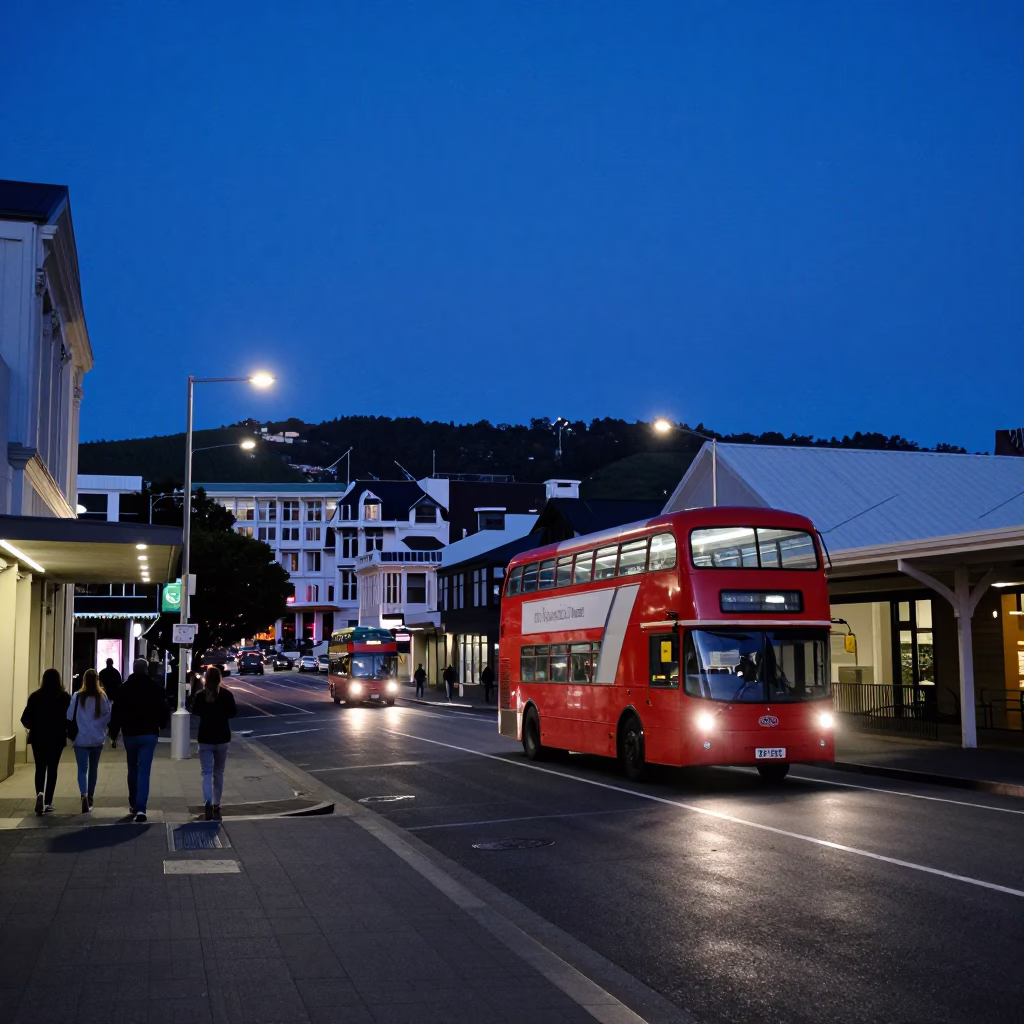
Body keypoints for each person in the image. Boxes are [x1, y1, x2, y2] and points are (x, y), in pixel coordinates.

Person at [110, 657, 169, 823]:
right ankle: (141, 808)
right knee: (144, 770)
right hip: (149, 733)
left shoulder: (124, 688)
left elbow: (117, 712)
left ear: (134, 669)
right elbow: (163, 707)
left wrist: (114, 733)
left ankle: (133, 803)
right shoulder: (155, 687)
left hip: (130, 733)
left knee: (132, 768)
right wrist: (161, 725)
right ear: (147, 669)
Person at [20, 668, 71, 815]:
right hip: (56, 737)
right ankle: (48, 802)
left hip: (38, 737)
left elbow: (25, 718)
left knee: (40, 767)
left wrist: (33, 725)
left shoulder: (35, 696)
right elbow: (68, 718)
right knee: (52, 769)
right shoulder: (64, 697)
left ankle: (39, 794)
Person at [190, 667, 237, 821]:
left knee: (206, 772)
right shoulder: (226, 695)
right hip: (222, 736)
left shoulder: (200, 696)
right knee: (219, 772)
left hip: (205, 737)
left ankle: (208, 802)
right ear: (219, 679)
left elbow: (195, 711)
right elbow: (233, 713)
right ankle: (217, 804)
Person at [67, 669, 111, 814]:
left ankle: (83, 794)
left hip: (81, 738)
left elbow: (69, 715)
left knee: (81, 769)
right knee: (93, 769)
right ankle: (91, 797)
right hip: (97, 739)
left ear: (84, 680)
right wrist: (100, 727)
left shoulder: (77, 696)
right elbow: (107, 715)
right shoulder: (101, 696)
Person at [98, 658, 123, 747]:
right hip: (114, 697)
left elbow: (99, 684)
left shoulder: (102, 672)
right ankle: (113, 735)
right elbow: (120, 685)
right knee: (113, 715)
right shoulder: (116, 673)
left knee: (104, 713)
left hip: (104, 696)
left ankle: (106, 728)